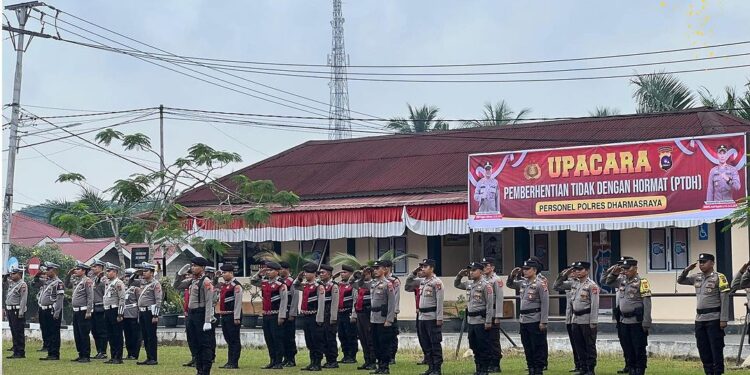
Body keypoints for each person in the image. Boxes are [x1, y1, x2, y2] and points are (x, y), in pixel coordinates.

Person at [677, 253, 730, 375]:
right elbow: (680, 281)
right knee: (703, 347)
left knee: (715, 348)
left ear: (712, 263)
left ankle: (717, 372)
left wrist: (724, 319)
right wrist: (687, 270)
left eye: (704, 262)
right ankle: (708, 372)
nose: (701, 264)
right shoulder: (697, 277)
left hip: (714, 318)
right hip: (700, 319)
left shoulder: (719, 277)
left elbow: (725, 298)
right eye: (700, 262)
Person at [605, 259, 652, 375]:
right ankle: (631, 369)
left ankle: (640, 370)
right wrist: (614, 273)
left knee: (639, 348)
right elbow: (608, 282)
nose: (625, 271)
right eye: (624, 269)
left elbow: (647, 302)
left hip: (636, 322)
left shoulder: (642, 282)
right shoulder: (622, 281)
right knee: (627, 348)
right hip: (623, 321)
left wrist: (646, 321)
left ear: (635, 268)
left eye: (628, 268)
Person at [508, 258, 549, 375]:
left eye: (527, 269)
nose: (524, 271)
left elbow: (545, 303)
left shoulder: (540, 284)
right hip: (524, 319)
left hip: (535, 318)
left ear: (534, 270)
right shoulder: (523, 283)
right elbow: (510, 284)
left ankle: (538, 369)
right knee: (527, 345)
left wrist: (543, 321)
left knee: (537, 345)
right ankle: (530, 366)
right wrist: (512, 275)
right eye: (524, 269)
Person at [456, 262, 494, 375]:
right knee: (474, 345)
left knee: (483, 346)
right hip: (471, 320)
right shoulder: (469, 284)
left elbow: (489, 304)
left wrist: (488, 321)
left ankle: (484, 369)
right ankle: (478, 368)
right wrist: (459, 275)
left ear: (481, 272)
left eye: (474, 270)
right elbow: (457, 284)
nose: (471, 272)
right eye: (470, 270)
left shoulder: (486, 285)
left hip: (481, 320)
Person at [250, 261, 287, 369]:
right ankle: (272, 360)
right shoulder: (265, 283)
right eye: (268, 270)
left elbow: (284, 301)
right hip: (266, 315)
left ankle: (279, 362)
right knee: (269, 339)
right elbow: (253, 281)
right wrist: (259, 273)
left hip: (276, 315)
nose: (269, 272)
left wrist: (281, 315)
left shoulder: (281, 284)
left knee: (277, 339)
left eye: (271, 270)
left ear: (277, 272)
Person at [602, 256, 635, 374]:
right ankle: (627, 364)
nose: (621, 268)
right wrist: (611, 270)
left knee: (631, 341)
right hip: (619, 313)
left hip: (630, 314)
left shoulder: (628, 280)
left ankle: (632, 365)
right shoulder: (618, 278)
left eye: (624, 266)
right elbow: (603, 281)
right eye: (620, 265)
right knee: (623, 340)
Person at [568, 261, 600, 375]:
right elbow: (557, 285)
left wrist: (593, 321)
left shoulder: (592, 285)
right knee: (579, 345)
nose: (577, 271)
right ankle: (583, 367)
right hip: (576, 319)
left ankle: (590, 368)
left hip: (586, 319)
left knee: (589, 345)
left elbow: (595, 305)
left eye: (580, 269)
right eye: (576, 269)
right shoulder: (575, 284)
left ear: (587, 271)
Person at [186, 257, 216, 375]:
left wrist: (207, 320)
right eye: (192, 265)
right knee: (194, 343)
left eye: (195, 266)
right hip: (192, 314)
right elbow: (177, 284)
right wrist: (180, 273)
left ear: (202, 268)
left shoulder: (206, 281)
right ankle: (199, 369)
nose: (192, 268)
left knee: (204, 344)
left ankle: (205, 370)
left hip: (201, 313)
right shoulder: (193, 281)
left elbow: (209, 302)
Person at [295, 262, 325, 371]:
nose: (305, 274)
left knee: (316, 340)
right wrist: (298, 278)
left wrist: (319, 318)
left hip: (314, 316)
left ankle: (317, 363)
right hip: (306, 316)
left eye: (308, 272)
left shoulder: (318, 286)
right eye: (305, 272)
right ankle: (312, 362)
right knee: (309, 341)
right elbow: (295, 285)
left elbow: (321, 303)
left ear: (313, 273)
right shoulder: (305, 285)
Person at [416, 259, 444, 375]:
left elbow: (440, 302)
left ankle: (437, 368)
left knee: (434, 343)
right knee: (426, 344)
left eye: (425, 266)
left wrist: (439, 318)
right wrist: (414, 272)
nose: (422, 268)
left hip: (432, 317)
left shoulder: (437, 282)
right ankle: (430, 367)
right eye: (421, 266)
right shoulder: (422, 282)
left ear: (431, 268)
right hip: (422, 317)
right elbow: (408, 283)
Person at [554, 263, 582, 374]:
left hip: (579, 318)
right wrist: (563, 275)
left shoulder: (582, 284)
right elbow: (556, 286)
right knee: (574, 343)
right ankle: (577, 364)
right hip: (569, 318)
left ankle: (584, 366)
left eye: (575, 271)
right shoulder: (569, 284)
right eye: (571, 271)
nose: (573, 273)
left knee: (581, 344)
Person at [369, 260, 396, 375]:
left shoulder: (388, 284)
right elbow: (358, 284)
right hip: (374, 318)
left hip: (383, 318)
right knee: (376, 344)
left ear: (384, 270)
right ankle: (380, 366)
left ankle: (385, 367)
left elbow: (392, 303)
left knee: (384, 344)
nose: (375, 270)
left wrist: (389, 319)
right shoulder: (373, 283)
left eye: (377, 268)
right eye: (374, 269)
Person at [65, 261, 95, 363]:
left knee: (83, 334)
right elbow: (67, 285)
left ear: (83, 271)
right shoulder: (77, 281)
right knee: (77, 334)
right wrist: (68, 275)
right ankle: (80, 354)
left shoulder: (87, 281)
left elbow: (90, 296)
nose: (76, 271)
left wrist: (88, 311)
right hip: (76, 311)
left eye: (78, 269)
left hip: (83, 311)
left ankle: (86, 355)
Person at [136, 262, 162, 366]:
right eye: (143, 271)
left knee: (151, 336)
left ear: (152, 272)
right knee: (145, 336)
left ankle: (153, 358)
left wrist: (155, 315)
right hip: (142, 312)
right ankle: (148, 357)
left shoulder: (155, 284)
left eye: (146, 271)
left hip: (150, 312)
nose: (143, 273)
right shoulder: (143, 283)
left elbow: (158, 300)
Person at [482, 257, 504, 373]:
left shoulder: (496, 280)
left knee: (493, 340)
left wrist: (498, 316)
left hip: (494, 312)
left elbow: (500, 298)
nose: (484, 267)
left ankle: (496, 363)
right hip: (485, 313)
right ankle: (489, 362)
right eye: (483, 265)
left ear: (493, 267)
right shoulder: (483, 279)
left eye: (487, 265)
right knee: (486, 340)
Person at [38, 262, 64, 361]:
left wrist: (57, 312)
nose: (47, 271)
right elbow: (35, 283)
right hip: (44, 309)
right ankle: (50, 352)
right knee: (47, 331)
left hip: (52, 310)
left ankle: (54, 353)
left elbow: (60, 298)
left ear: (54, 270)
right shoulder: (47, 282)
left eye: (49, 269)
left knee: (54, 332)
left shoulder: (58, 283)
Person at [352, 266, 376, 370]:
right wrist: (359, 273)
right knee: (362, 338)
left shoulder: (373, 283)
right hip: (360, 313)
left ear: (370, 274)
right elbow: (351, 282)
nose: (364, 275)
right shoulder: (360, 283)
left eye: (366, 273)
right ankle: (367, 360)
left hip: (368, 313)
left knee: (370, 338)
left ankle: (372, 361)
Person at [102, 263, 126, 364]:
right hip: (107, 310)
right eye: (107, 271)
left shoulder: (118, 283)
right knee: (110, 335)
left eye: (109, 271)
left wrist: (120, 314)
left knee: (117, 334)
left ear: (115, 272)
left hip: (115, 310)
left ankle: (118, 357)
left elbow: (122, 298)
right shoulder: (108, 283)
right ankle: (113, 355)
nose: (107, 273)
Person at [317, 264, 340, 368]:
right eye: (320, 273)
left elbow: (335, 303)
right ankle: (327, 359)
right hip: (322, 314)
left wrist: (333, 317)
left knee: (330, 338)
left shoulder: (333, 286)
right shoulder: (320, 285)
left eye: (323, 272)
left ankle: (333, 360)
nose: (321, 274)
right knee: (323, 338)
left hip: (329, 314)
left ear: (330, 274)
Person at [174, 264, 197, 367]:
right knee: (191, 337)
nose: (188, 277)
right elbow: (176, 285)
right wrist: (180, 274)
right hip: (188, 314)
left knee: (198, 338)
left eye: (190, 275)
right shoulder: (190, 283)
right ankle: (194, 357)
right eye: (187, 275)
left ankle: (200, 359)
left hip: (198, 314)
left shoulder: (202, 282)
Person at [405, 266, 428, 367]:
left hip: (428, 313)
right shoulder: (417, 283)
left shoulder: (430, 282)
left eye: (421, 270)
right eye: (418, 271)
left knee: (428, 336)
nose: (419, 272)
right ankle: (426, 356)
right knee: (421, 335)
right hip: (419, 313)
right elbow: (407, 286)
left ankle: (430, 357)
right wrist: (413, 272)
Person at [336, 264, 359, 364]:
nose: (342, 274)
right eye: (341, 272)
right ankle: (345, 355)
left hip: (348, 312)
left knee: (351, 335)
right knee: (342, 335)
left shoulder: (353, 285)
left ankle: (352, 356)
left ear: (350, 274)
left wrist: (354, 314)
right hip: (340, 313)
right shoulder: (339, 284)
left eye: (344, 272)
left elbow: (355, 300)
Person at [5, 265, 28, 359]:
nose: (11, 275)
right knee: (13, 331)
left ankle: (20, 352)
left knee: (18, 332)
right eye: (11, 273)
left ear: (19, 274)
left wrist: (21, 312)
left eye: (14, 273)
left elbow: (23, 299)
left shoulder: (22, 284)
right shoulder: (12, 284)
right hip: (10, 310)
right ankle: (15, 351)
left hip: (17, 310)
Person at [89, 259, 110, 359]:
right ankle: (99, 351)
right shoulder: (93, 279)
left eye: (95, 267)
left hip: (101, 307)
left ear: (101, 268)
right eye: (93, 266)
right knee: (95, 331)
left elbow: (106, 293)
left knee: (102, 331)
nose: (93, 268)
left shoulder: (104, 279)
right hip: (93, 308)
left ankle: (103, 351)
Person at [279, 261, 298, 367]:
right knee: (282, 336)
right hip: (281, 312)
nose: (281, 271)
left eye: (282, 269)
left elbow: (295, 298)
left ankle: (291, 358)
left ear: (287, 270)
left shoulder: (292, 282)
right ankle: (285, 357)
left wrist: (292, 313)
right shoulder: (279, 282)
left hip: (289, 312)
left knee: (289, 337)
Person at [122, 268, 142, 361]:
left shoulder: (137, 288)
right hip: (125, 315)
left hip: (133, 314)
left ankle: (134, 354)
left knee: (135, 336)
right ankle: (129, 353)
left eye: (128, 276)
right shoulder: (125, 288)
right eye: (125, 276)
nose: (126, 278)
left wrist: (139, 315)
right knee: (127, 335)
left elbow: (139, 302)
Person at [383, 260, 401, 365]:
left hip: (391, 311)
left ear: (388, 268)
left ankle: (392, 356)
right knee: (382, 335)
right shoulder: (379, 280)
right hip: (381, 311)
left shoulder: (394, 281)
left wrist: (395, 311)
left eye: (383, 267)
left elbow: (396, 297)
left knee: (392, 334)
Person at [32, 265, 51, 353]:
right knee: (43, 326)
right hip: (41, 307)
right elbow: (33, 283)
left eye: (45, 274)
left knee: (48, 327)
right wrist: (37, 274)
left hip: (49, 308)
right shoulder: (43, 283)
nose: (44, 276)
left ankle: (49, 345)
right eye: (42, 275)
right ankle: (45, 344)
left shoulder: (51, 282)